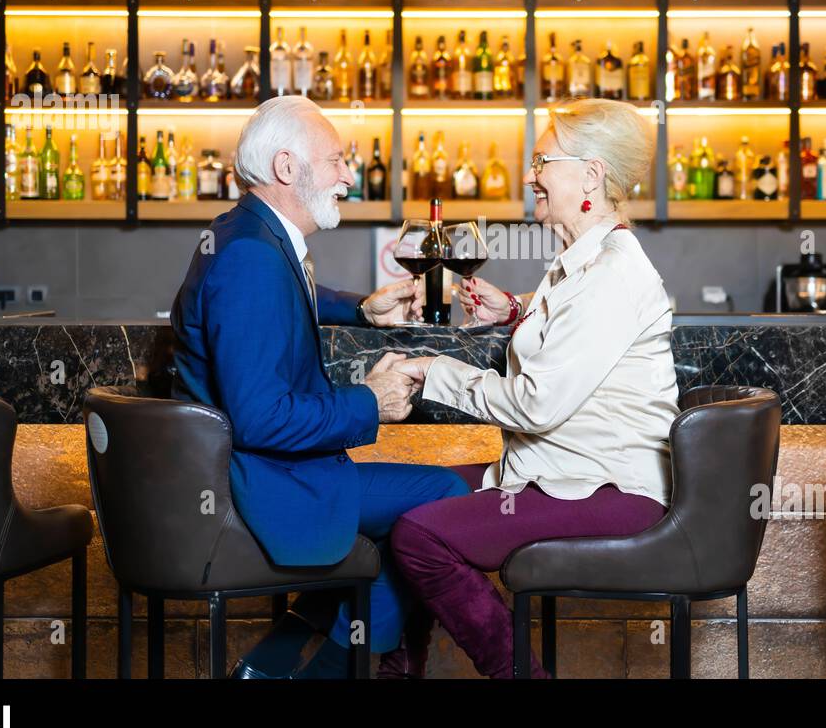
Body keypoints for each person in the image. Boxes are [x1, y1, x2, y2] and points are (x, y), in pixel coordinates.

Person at [171, 96, 468, 678]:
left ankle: (273, 664)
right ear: (287, 167)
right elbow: (260, 418)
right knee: (442, 498)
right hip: (263, 481)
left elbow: (289, 290)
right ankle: (326, 670)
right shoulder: (252, 258)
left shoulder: (247, 234)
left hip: (246, 472)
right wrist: (370, 402)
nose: (348, 176)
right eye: (335, 161)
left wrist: (361, 306)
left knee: (391, 535)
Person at [390, 98, 680, 678]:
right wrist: (516, 308)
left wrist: (432, 371)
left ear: (591, 174)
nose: (530, 175)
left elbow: (537, 404)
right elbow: (574, 323)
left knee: (418, 536)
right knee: (403, 503)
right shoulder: (586, 257)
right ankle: (395, 671)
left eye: (543, 161)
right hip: (559, 474)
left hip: (608, 489)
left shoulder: (613, 272)